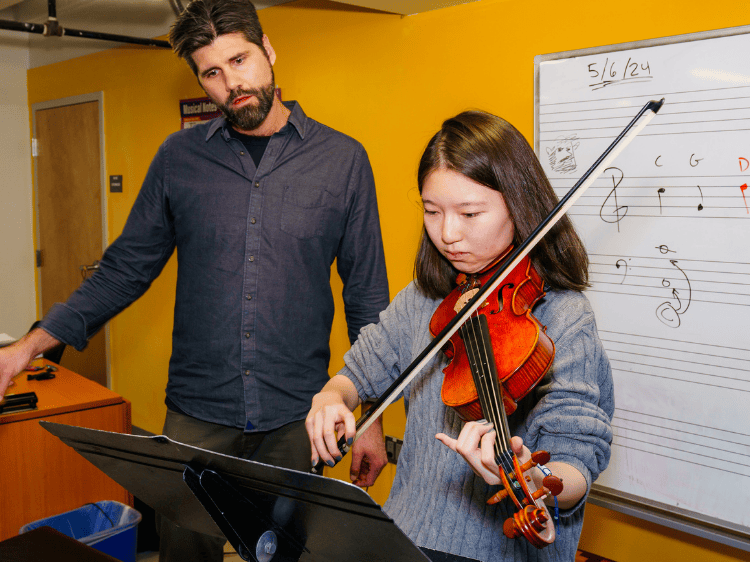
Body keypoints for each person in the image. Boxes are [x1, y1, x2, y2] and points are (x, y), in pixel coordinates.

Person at [0, 0, 390, 560]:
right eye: (212, 72)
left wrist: (369, 415)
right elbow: (123, 271)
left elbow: (368, 299)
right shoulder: (177, 159)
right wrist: (27, 349)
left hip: (297, 419)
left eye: (240, 59)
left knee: (291, 553)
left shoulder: (343, 161)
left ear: (269, 50)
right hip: (196, 418)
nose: (233, 84)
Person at [305, 110, 614, 562]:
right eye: (432, 212)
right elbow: (359, 372)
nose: (447, 234)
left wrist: (533, 480)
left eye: (470, 213)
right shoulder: (427, 296)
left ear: (520, 204)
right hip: (403, 539)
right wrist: (331, 398)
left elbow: (577, 464)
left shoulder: (565, 317)